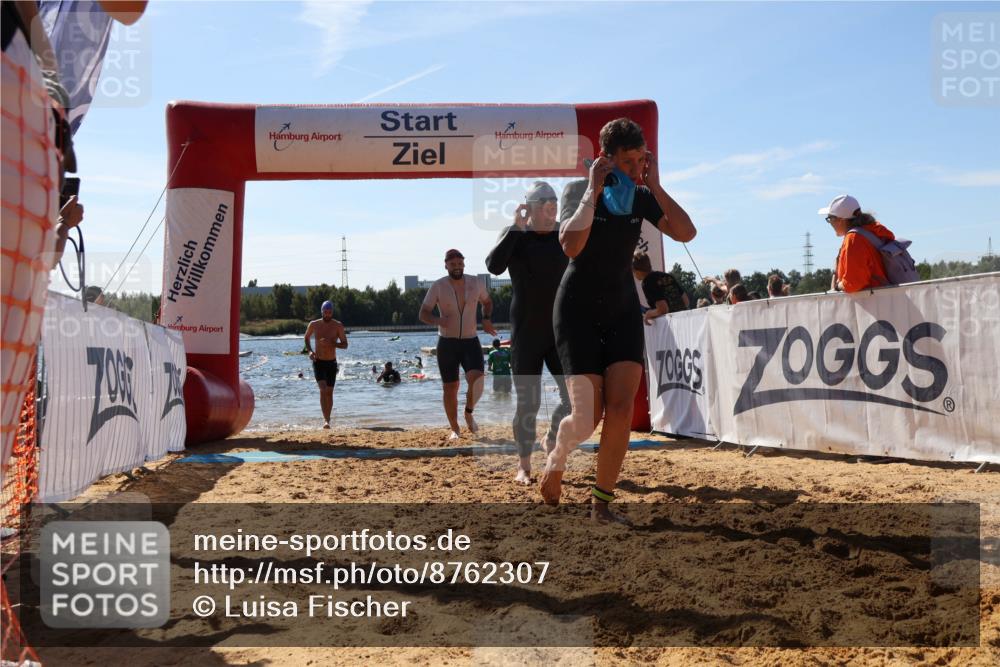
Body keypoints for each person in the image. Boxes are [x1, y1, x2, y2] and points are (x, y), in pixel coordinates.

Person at [542, 117, 696, 523]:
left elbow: (686, 233)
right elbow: (570, 246)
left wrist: (656, 186)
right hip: (576, 310)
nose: (635, 169)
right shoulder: (579, 190)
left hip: (622, 308)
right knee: (586, 419)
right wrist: (593, 191)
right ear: (606, 158)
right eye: (628, 162)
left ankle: (601, 504)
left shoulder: (642, 196)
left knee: (622, 408)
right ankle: (557, 456)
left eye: (641, 160)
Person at [486, 181, 572, 484]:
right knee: (528, 404)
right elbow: (493, 266)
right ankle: (524, 466)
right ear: (530, 208)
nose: (551, 209)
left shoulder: (564, 234)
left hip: (560, 332)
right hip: (526, 333)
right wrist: (515, 227)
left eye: (554, 204)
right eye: (545, 204)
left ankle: (551, 436)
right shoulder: (516, 236)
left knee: (574, 399)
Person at [419, 249, 497, 440]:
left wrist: (486, 319)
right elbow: (423, 313)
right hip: (447, 344)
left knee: (478, 381)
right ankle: (455, 428)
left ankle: (468, 412)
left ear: (464, 264)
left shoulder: (476, 283)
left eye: (460, 264)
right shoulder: (438, 286)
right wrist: (438, 320)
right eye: (453, 264)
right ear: (446, 265)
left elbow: (487, 302)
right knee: (450, 388)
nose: (457, 267)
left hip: (470, 341)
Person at [819, 194, 898, 293]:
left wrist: (837, 286)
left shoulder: (854, 239)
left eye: (830, 218)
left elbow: (853, 283)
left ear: (840, 220)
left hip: (873, 300)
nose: (830, 223)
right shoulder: (874, 231)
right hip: (890, 296)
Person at [303, 301, 348, 429]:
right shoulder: (314, 324)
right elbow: (306, 338)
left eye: (330, 312)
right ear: (322, 312)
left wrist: (333, 343)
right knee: (322, 390)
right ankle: (326, 420)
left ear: (332, 312)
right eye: (325, 312)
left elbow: (345, 344)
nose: (327, 314)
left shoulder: (338, 326)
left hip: (331, 362)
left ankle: (328, 418)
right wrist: (310, 351)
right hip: (318, 361)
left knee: (329, 392)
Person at [631, 251, 689, 325]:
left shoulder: (647, 282)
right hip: (684, 321)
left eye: (632, 271)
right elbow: (686, 301)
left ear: (637, 271)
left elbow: (663, 309)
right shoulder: (667, 276)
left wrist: (649, 314)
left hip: (671, 325)